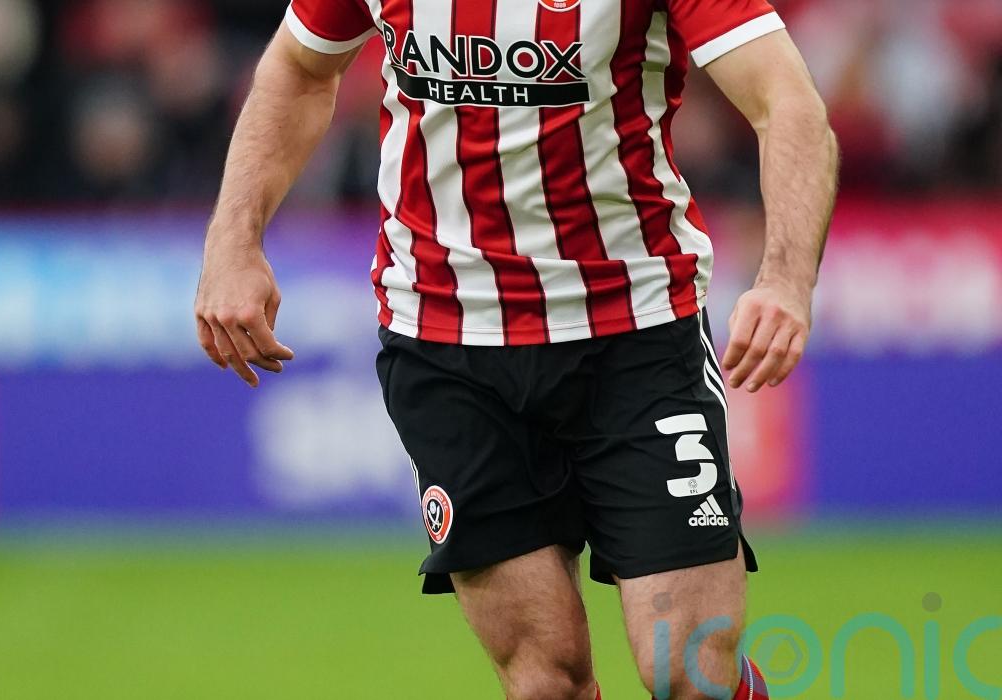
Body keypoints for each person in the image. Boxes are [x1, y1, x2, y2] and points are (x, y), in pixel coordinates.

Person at [193, 0, 838, 695]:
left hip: (636, 335)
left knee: (689, 672)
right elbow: (299, 68)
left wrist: (786, 279)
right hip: (447, 344)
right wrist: (233, 240)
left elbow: (787, 101)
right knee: (544, 682)